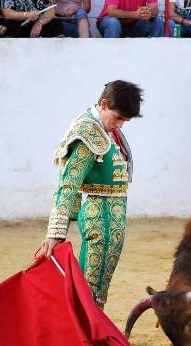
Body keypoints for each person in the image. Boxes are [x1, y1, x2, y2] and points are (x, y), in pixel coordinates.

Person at [41, 81, 144, 309]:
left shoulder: (105, 130)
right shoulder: (88, 132)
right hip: (99, 221)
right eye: (118, 118)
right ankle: (83, 339)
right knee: (91, 292)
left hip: (108, 222)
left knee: (95, 290)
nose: (119, 125)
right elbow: (68, 184)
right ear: (104, 104)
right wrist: (56, 232)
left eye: (124, 121)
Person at [0, 0, 64, 37]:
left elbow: (50, 10)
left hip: (34, 22)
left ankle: (58, 54)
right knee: (9, 26)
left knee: (56, 23)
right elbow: (7, 13)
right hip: (12, 21)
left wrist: (40, 22)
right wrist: (26, 15)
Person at [96, 0, 164, 38]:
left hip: (134, 24)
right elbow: (111, 12)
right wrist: (135, 14)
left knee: (157, 22)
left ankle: (157, 56)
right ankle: (109, 57)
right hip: (110, 23)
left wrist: (146, 13)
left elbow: (154, 11)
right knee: (113, 23)